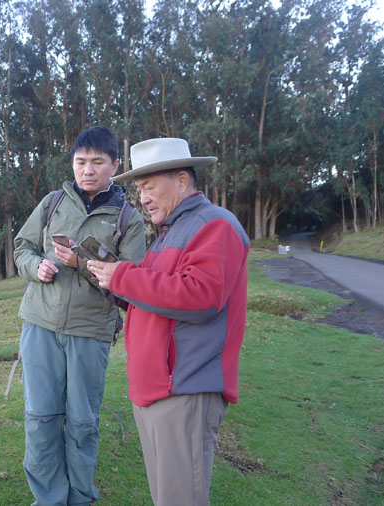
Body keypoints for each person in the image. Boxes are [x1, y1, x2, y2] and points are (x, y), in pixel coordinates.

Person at [87, 137, 249, 506]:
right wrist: (107, 278)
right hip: (156, 393)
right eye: (138, 188)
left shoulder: (214, 225)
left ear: (181, 181)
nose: (142, 198)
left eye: (148, 186)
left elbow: (201, 296)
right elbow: (153, 298)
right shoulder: (168, 235)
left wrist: (124, 277)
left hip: (185, 391)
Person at [14, 126, 146, 506]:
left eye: (97, 162)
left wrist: (84, 264)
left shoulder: (127, 219)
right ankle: (49, 499)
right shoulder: (53, 202)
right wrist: (36, 265)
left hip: (90, 332)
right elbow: (22, 246)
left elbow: (131, 284)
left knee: (83, 423)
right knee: (40, 418)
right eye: (80, 162)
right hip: (40, 324)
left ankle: (81, 497)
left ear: (115, 165)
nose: (88, 170)